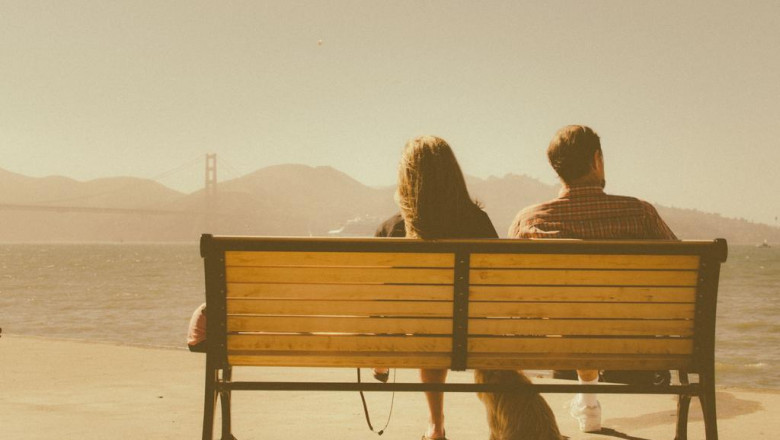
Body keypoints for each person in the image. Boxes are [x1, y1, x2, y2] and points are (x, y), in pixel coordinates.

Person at [509, 125, 677, 433]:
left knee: (573, 329)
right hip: (635, 349)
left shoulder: (529, 221)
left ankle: (586, 394)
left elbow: (510, 293)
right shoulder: (640, 214)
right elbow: (679, 277)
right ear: (597, 160)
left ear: (556, 169)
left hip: (562, 350)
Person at [374, 135, 498, 440]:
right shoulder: (478, 222)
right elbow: (496, 286)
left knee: (429, 328)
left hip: (418, 334)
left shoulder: (392, 229)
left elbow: (378, 298)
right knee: (442, 323)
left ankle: (435, 424)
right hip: (474, 333)